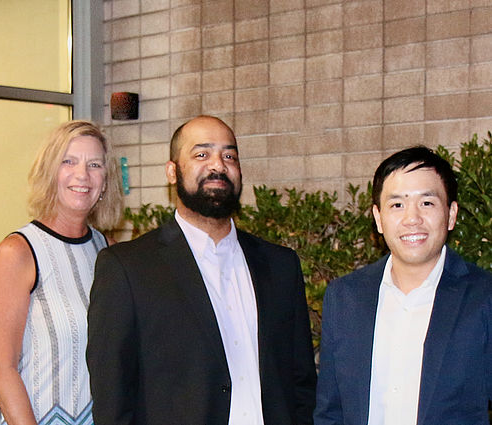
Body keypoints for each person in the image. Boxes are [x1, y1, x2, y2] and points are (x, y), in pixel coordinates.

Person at [87, 115, 317, 425]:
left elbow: (300, 380)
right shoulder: (127, 268)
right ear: (172, 172)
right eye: (201, 154)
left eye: (229, 155)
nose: (218, 165)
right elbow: (113, 397)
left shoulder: (280, 266)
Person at [314, 146, 492, 425]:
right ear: (378, 218)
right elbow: (330, 410)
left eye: (427, 203)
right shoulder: (344, 297)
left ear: (452, 214)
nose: (412, 219)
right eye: (397, 204)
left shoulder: (483, 296)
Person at [0, 120, 123, 425]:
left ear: (106, 181)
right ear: (49, 172)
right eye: (68, 161)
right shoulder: (18, 252)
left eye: (94, 164)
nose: (82, 175)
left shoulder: (110, 253)